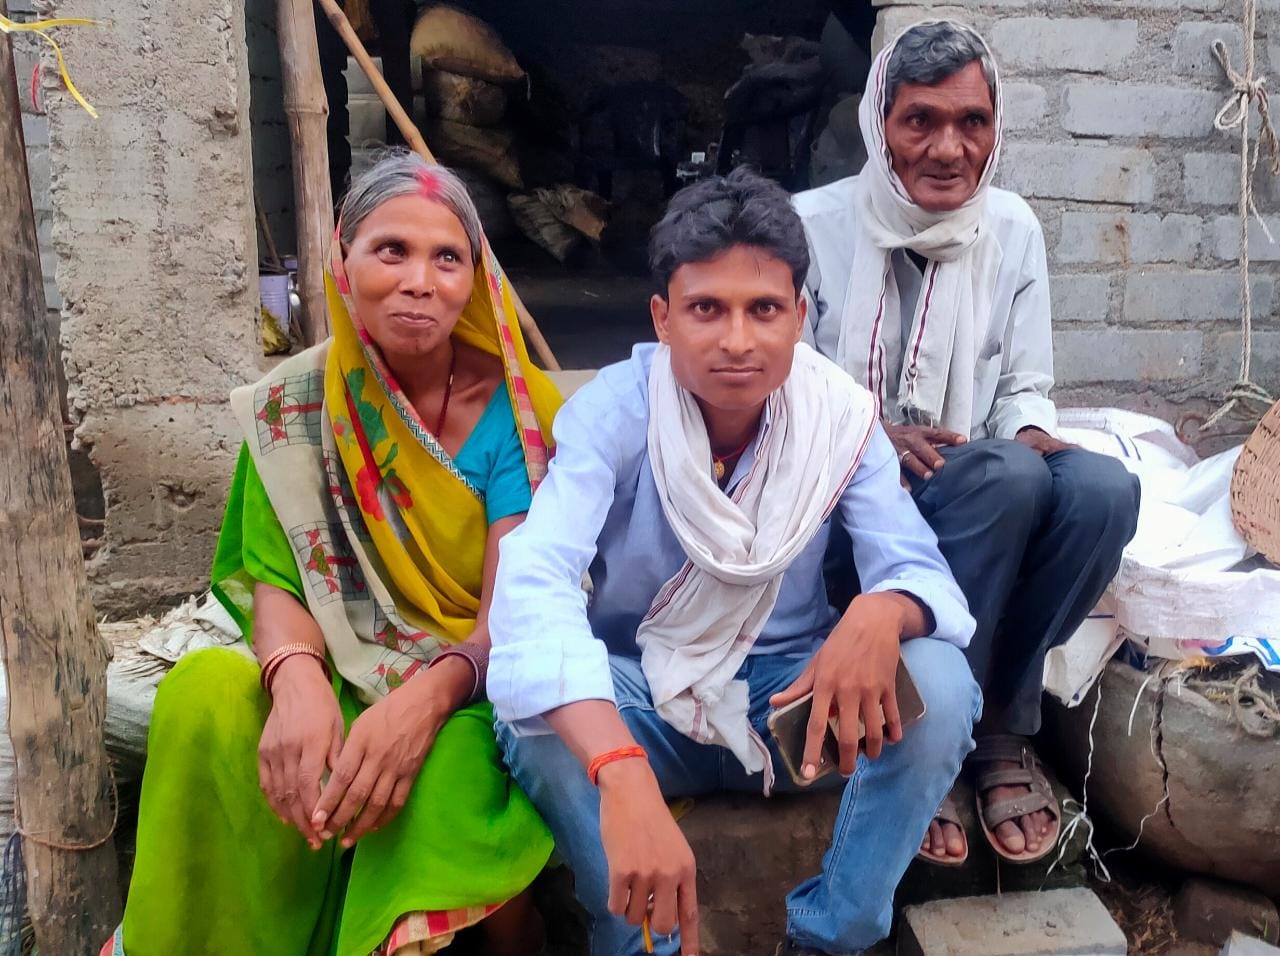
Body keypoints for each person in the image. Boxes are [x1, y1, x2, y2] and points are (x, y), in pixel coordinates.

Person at [487, 167, 980, 956]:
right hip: (646, 703)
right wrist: (617, 765)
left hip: (800, 714)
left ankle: (830, 935)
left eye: (764, 310)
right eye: (706, 309)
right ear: (663, 317)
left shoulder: (839, 417)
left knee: (944, 683)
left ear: (799, 317)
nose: (738, 340)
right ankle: (639, 943)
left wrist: (882, 611)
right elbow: (534, 586)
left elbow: (918, 572)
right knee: (529, 714)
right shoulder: (612, 413)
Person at [107, 155, 561, 956]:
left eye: (446, 257)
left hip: (472, 676)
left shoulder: (522, 413)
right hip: (340, 665)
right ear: (342, 263)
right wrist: (297, 681)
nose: (419, 280)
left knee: (453, 770)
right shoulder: (292, 405)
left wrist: (419, 706)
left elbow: (516, 612)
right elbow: (277, 573)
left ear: (475, 278)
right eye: (392, 251)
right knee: (204, 692)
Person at [794, 20, 1141, 866]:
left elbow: (1027, 383)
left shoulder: (1012, 229)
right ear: (881, 124)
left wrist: (1029, 433)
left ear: (996, 127)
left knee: (1104, 491)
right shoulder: (811, 228)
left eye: (971, 122)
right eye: (920, 121)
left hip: (982, 486)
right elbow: (786, 393)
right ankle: (933, 740)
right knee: (1008, 479)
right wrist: (869, 429)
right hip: (853, 509)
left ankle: (989, 727)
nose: (948, 148)